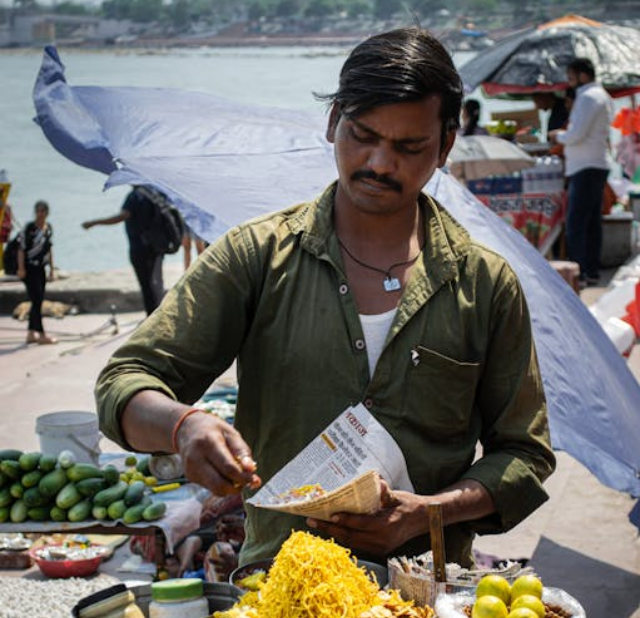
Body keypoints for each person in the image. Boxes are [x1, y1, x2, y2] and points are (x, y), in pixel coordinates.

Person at [96, 27, 555, 569]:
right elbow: (124, 385)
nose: (381, 163)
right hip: (274, 597)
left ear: (445, 146)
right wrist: (183, 426)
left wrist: (426, 512)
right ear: (334, 120)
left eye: (409, 147)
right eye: (362, 135)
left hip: (422, 604)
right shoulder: (257, 257)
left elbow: (523, 455)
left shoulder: (484, 283)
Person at [548, 58, 614, 287]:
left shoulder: (587, 97)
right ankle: (591, 271)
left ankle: (579, 273)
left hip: (585, 166)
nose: (569, 81)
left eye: (570, 76)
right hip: (595, 164)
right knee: (592, 223)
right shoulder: (602, 95)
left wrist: (558, 136)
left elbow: (576, 134)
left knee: (576, 223)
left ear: (582, 75)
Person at [82, 186, 167, 315]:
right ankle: (160, 316)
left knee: (147, 286)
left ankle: (152, 319)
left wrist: (95, 222)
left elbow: (122, 216)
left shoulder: (134, 196)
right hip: (157, 247)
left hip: (140, 249)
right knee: (157, 283)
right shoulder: (156, 193)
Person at [17, 200, 57, 345]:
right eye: (38, 211)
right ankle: (41, 335)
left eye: (43, 211)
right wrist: (21, 268)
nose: (40, 214)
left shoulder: (48, 229)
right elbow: (21, 249)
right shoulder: (29, 228)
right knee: (37, 300)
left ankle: (30, 334)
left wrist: (52, 269)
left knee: (37, 302)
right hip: (29, 268)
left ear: (47, 213)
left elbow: (49, 249)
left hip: (41, 268)